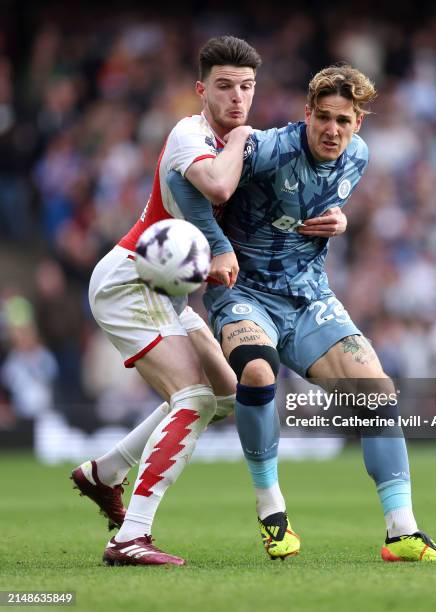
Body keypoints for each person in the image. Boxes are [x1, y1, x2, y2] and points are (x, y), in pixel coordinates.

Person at [173, 64, 436, 562]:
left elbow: (322, 203)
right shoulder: (269, 148)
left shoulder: (359, 158)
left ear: (358, 124)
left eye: (344, 121)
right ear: (306, 114)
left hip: (309, 299)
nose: (332, 130)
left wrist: (341, 220)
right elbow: (189, 188)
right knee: (259, 372)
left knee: (378, 391)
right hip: (245, 293)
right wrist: (217, 246)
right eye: (323, 117)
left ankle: (402, 531)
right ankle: (272, 512)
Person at [71, 36, 262, 566]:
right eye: (224, 87)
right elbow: (220, 189)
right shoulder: (190, 134)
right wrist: (245, 136)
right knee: (195, 397)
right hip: (133, 278)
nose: (237, 99)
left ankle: (104, 471)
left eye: (246, 88)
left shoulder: (240, 143)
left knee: (225, 397)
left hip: (167, 289)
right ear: (202, 90)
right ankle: (130, 536)